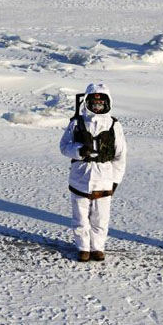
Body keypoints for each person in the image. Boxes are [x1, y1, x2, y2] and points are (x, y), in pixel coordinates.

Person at [59, 83, 127, 262]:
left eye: (100, 104)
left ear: (107, 104)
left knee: (100, 218)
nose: (97, 108)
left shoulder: (114, 125)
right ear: (87, 103)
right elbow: (64, 146)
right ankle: (83, 247)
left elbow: (120, 155)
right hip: (80, 177)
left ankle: (98, 247)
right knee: (81, 217)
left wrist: (115, 181)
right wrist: (79, 151)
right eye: (94, 104)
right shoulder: (77, 123)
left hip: (104, 178)